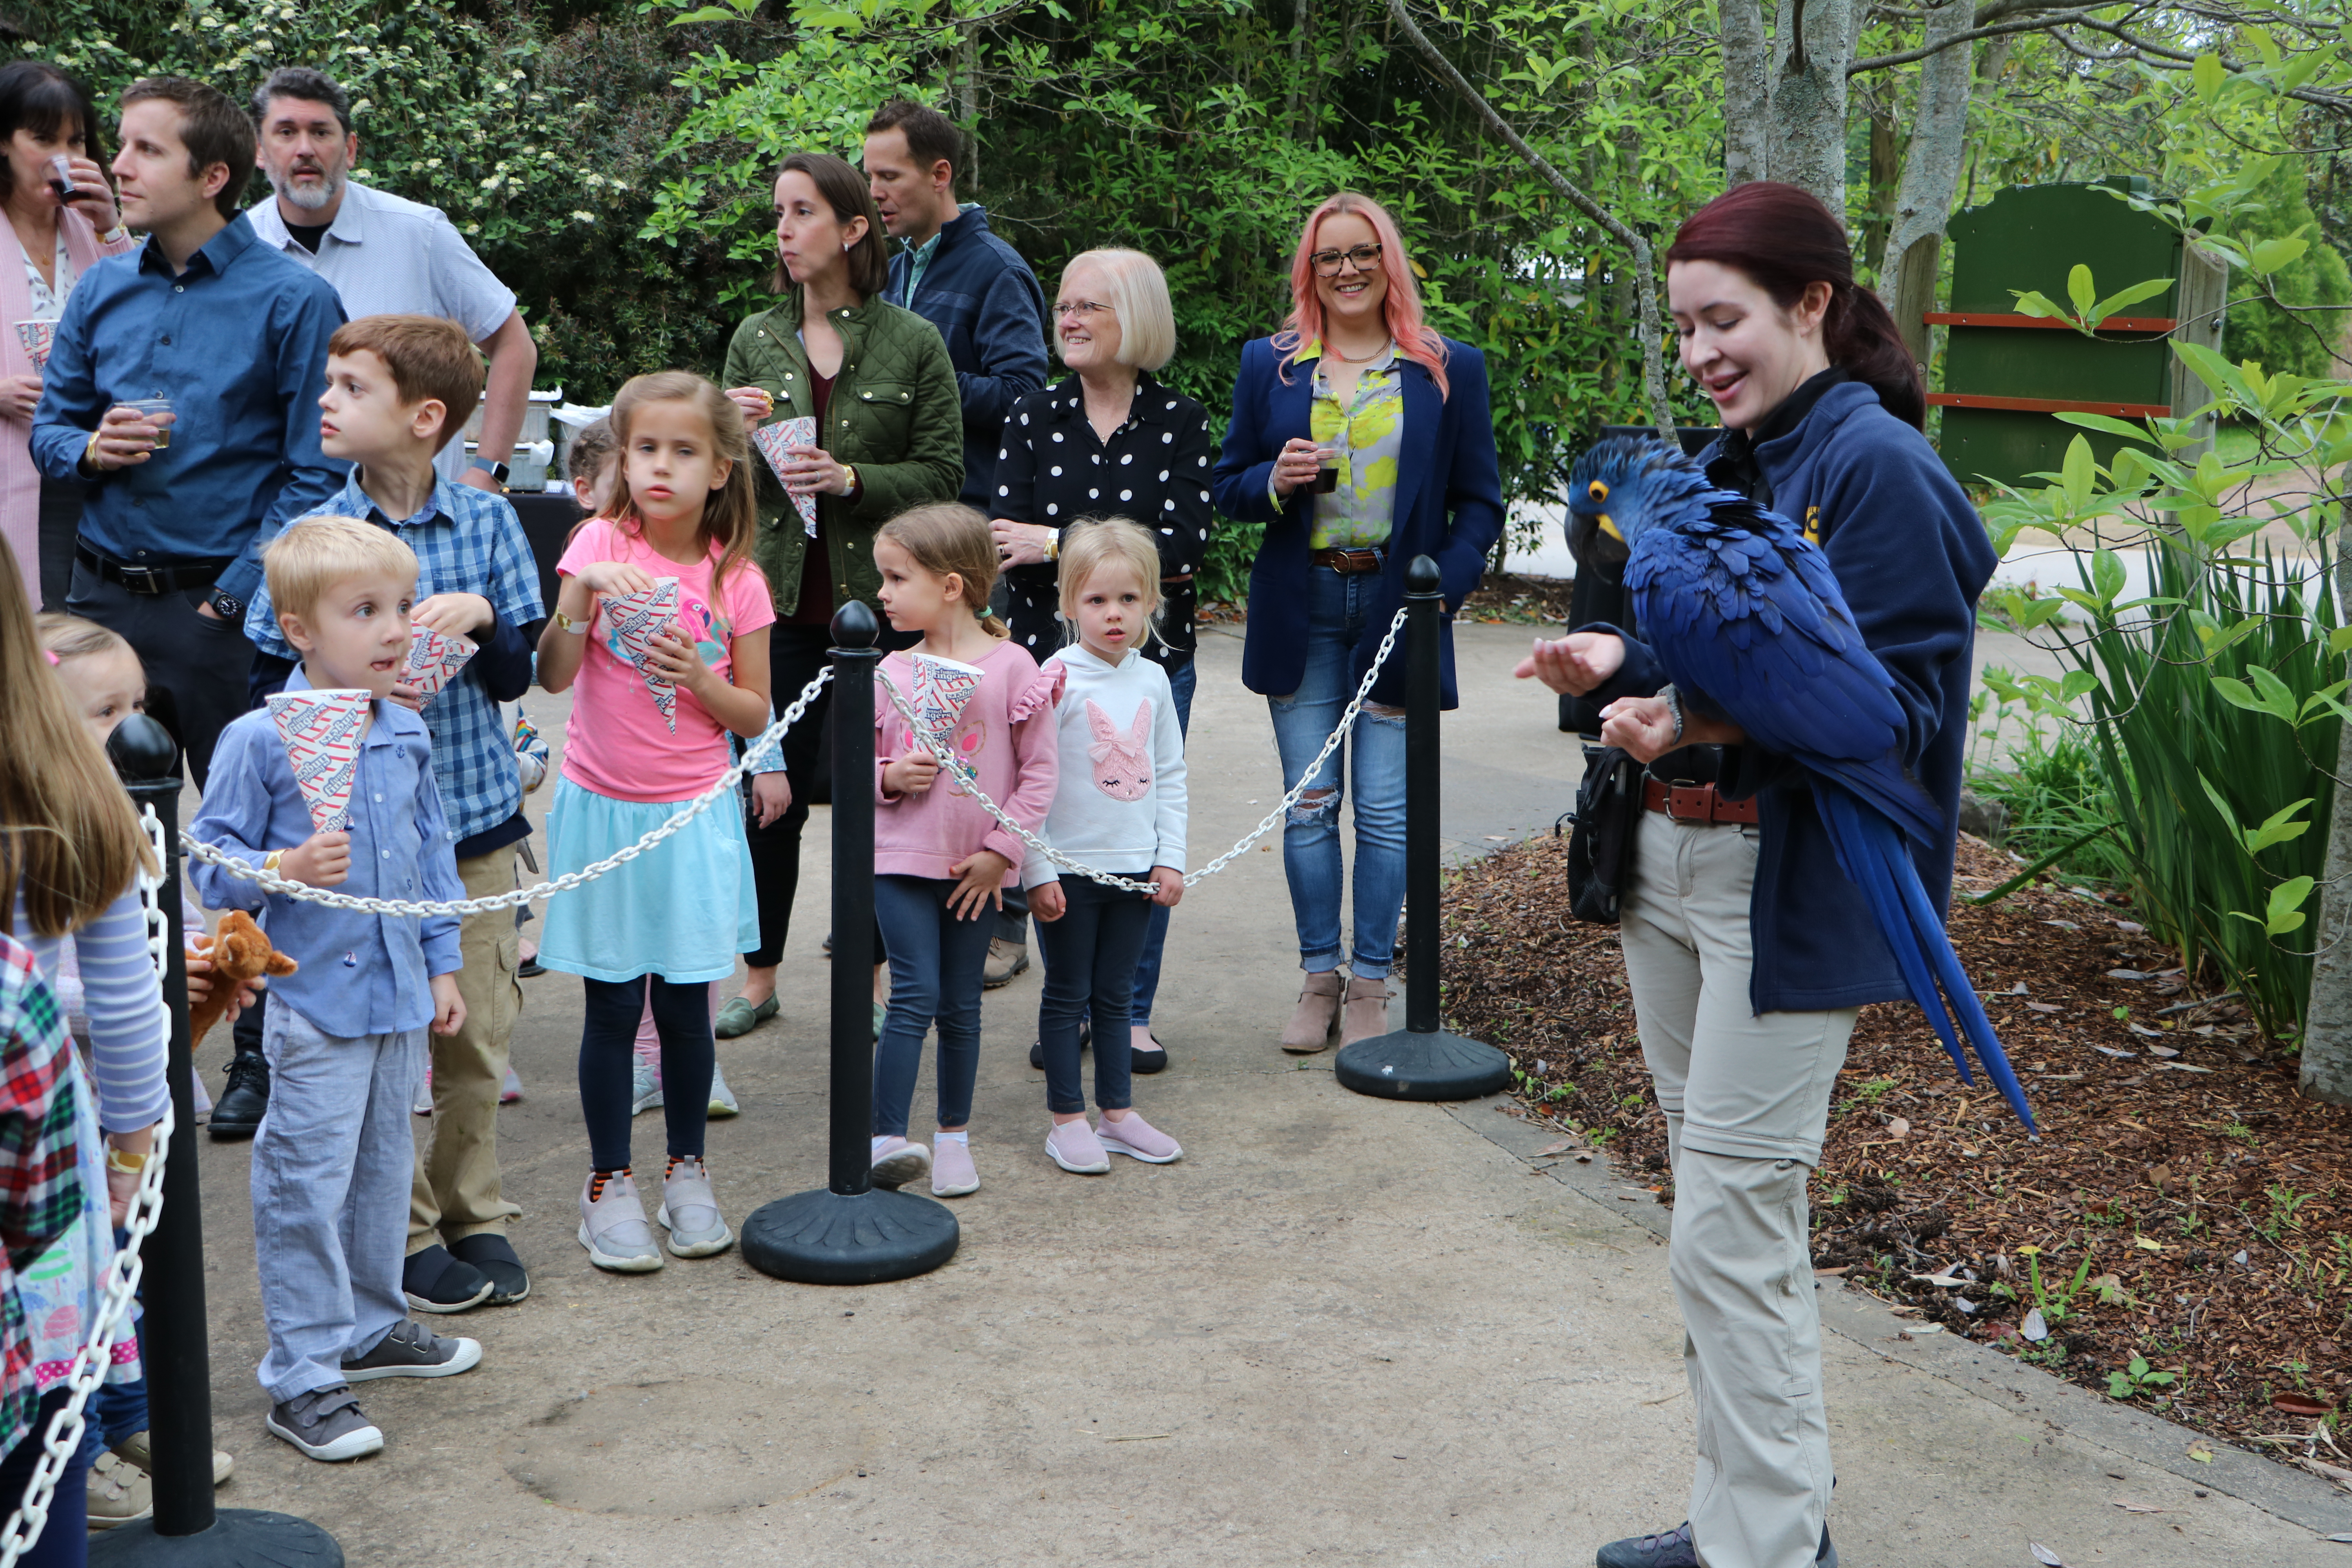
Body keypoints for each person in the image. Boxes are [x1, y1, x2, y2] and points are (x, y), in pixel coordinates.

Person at [1517, 181, 1992, 1568]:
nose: (1702, 353)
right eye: (1683, 329)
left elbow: (1897, 715)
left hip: (1780, 885)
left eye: (1724, 320)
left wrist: (1706, 723)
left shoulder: (1871, 467)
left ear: (1813, 307)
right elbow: (1721, 647)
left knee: (1729, 1225)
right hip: (1669, 868)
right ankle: (1743, 1515)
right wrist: (1625, 666)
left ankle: (1773, 1549)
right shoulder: (1741, 454)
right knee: (1719, 1209)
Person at [235, 316, 544, 1312]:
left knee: (476, 1030)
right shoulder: (312, 534)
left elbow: (516, 673)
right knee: (385, 1048)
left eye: (350, 385)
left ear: (424, 419)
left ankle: (475, 1211)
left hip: (476, 819)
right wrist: (358, 686)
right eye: (327, 381)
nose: (325, 399)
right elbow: (268, 678)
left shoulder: (489, 522)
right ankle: (405, 1235)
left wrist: (484, 617)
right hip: (364, 849)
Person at [189, 517, 481, 1464]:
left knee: (384, 1173)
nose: (395, 629)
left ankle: (370, 1323)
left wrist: (443, 963)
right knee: (302, 1185)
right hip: (314, 1005)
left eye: (400, 606)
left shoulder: (405, 728)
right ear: (298, 630)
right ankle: (304, 1376)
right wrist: (284, 862)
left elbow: (433, 856)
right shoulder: (257, 736)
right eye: (365, 611)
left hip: (399, 997)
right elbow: (213, 863)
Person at [1209, 191, 1503, 1053]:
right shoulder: (1273, 365)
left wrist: (1437, 591)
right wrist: (1274, 478)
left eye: (1361, 252)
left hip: (1397, 606)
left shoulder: (1449, 368)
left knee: (1382, 812)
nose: (1346, 269)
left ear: (1388, 261)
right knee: (1309, 808)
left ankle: (1372, 981)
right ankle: (1318, 975)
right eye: (1329, 256)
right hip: (1303, 604)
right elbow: (1229, 485)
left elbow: (1478, 503)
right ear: (1310, 268)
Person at [30, 75, 344, 791]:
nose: (120, 166)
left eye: (147, 149)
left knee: (254, 839)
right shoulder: (101, 290)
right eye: (123, 146)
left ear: (212, 177)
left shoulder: (296, 300)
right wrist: (90, 449)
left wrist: (228, 604)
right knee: (96, 835)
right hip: (100, 605)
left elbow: (318, 476)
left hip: (221, 616)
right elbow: (51, 433)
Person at [716, 150, 960, 1042]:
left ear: (854, 229)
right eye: (779, 212)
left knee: (881, 797)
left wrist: (854, 477)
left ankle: (872, 972)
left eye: (803, 212)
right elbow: (716, 489)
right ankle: (761, 972)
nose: (783, 229)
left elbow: (944, 474)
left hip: (883, 616)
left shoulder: (913, 342)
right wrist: (729, 439)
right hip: (772, 610)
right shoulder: (754, 339)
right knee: (766, 799)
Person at [535, 372, 772, 1275]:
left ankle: (686, 1171)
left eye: (683, 451)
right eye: (645, 449)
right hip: (603, 813)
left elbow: (754, 713)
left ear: (720, 469)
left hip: (693, 820)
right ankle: (606, 1185)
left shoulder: (736, 576)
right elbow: (554, 675)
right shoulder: (596, 540)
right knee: (608, 1004)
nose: (661, 467)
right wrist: (580, 595)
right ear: (621, 460)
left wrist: (701, 682)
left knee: (683, 1009)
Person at [34, 612, 241, 1525]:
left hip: (133, 1091)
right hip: (67, 1104)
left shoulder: (134, 807)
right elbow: (38, 986)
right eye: (103, 711)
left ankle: (135, 1416)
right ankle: (88, 1445)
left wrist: (201, 957)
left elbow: (180, 914)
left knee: (137, 1262)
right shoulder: (41, 829)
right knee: (83, 1280)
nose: (135, 729)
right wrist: (152, 982)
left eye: (138, 704)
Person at [993, 248, 1213, 1073]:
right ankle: (1071, 1008)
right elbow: (1001, 538)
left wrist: (1056, 544)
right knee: (1058, 830)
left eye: (1091, 306)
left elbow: (1186, 544)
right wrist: (1089, 546)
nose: (1070, 320)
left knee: (1138, 827)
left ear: (1138, 317)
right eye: (1064, 307)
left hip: (1153, 667)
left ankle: (1131, 1013)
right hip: (1047, 668)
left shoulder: (1180, 420)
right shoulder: (1032, 414)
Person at [864, 100, 1050, 989]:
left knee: (984, 728)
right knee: (913, 728)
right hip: (905, 533)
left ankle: (1004, 918)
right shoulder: (894, 266)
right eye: (867, 177)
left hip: (972, 538)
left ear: (940, 176)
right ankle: (910, 901)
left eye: (890, 176)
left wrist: (918, 365)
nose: (875, 193)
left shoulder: (997, 270)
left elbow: (1026, 395)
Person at [868, 503, 1058, 1199]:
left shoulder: (1014, 666)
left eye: (896, 578)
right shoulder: (887, 666)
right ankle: (885, 1137)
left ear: (951, 586)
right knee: (914, 993)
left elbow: (1040, 772)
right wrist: (888, 778)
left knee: (963, 1007)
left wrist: (1001, 855)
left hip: (974, 871)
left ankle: (953, 1139)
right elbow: (852, 761)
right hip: (898, 861)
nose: (882, 593)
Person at [246, 68, 539, 493]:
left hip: (417, 525)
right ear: (259, 151)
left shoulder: (419, 235)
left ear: (349, 149)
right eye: (286, 132)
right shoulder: (237, 250)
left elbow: (514, 344)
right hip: (287, 528)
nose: (305, 149)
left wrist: (489, 470)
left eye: (321, 132)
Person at [1022, 519, 1185, 1174]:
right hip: (1067, 873)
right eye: (1096, 601)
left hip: (1136, 874)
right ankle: (1068, 1121)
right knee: (1067, 994)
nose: (1113, 614)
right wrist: (1036, 869)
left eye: (1127, 600)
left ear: (1152, 601)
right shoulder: (1054, 679)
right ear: (1068, 605)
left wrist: (1169, 857)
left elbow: (1170, 774)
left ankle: (1117, 1114)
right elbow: (1029, 783)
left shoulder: (1153, 682)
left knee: (1117, 994)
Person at [0, 62, 135, 612]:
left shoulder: (90, 226)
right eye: (42, 137)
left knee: (81, 631)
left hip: (86, 461)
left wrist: (111, 225)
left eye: (75, 139)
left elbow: (147, 318)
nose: (64, 155)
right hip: (10, 460)